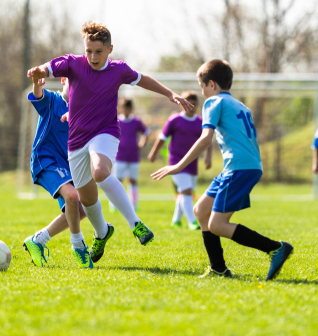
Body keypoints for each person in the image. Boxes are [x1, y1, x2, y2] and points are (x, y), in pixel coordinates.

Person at [27, 21, 194, 263]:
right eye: (89, 51)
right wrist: (38, 72)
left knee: (100, 171)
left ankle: (135, 223)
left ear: (110, 49)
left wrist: (170, 93)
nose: (93, 57)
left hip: (105, 133)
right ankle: (102, 233)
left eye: (98, 51)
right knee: (87, 199)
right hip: (76, 143)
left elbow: (142, 78)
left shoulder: (118, 70)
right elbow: (47, 67)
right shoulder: (73, 63)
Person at [152, 59, 293, 280]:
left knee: (216, 225)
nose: (202, 92)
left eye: (202, 86)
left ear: (212, 84)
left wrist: (178, 166)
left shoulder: (213, 103)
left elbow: (205, 138)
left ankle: (275, 248)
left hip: (239, 168)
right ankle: (218, 267)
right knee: (200, 211)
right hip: (243, 166)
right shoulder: (240, 105)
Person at [22, 76, 93, 269]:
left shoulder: (83, 111)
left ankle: (38, 240)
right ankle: (78, 245)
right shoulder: (52, 100)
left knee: (83, 209)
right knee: (72, 196)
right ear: (63, 80)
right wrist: (37, 82)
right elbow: (38, 95)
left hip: (69, 166)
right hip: (45, 160)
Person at [148, 91, 211, 230]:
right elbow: (162, 138)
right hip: (175, 162)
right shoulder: (174, 120)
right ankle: (192, 222)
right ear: (182, 104)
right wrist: (154, 152)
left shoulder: (201, 122)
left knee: (185, 192)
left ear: (198, 105)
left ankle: (176, 220)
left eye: (194, 103)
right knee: (187, 191)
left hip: (192, 164)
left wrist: (208, 157)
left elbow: (207, 140)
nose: (191, 106)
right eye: (188, 102)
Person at [110, 98, 150, 212]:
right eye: (124, 108)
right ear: (121, 108)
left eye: (128, 108)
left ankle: (134, 205)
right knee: (117, 181)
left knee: (133, 180)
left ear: (131, 109)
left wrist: (142, 142)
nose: (126, 110)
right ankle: (114, 205)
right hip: (119, 155)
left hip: (133, 156)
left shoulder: (136, 122)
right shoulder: (117, 120)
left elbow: (146, 132)